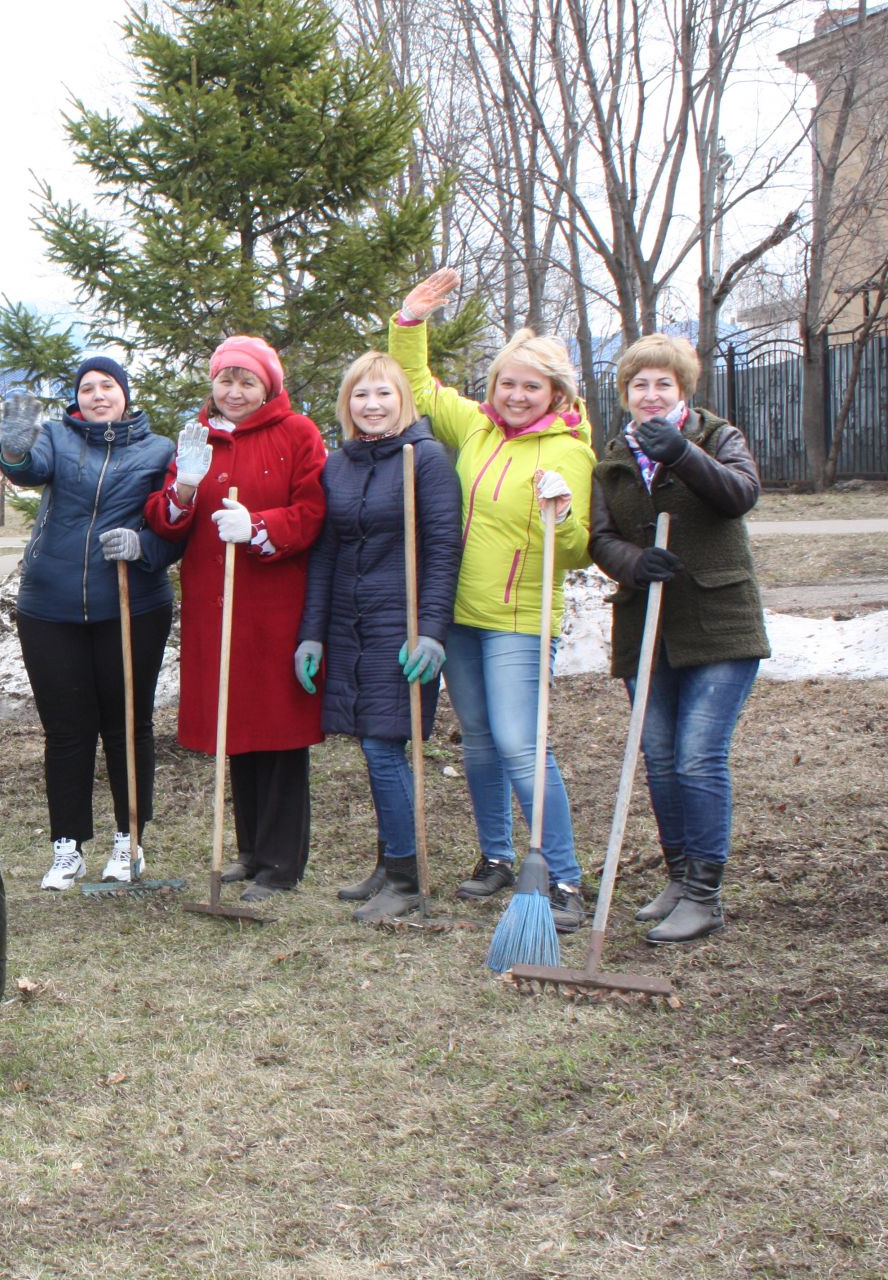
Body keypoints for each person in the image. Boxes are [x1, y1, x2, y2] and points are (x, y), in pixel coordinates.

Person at [391, 268, 596, 931]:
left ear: (554, 393)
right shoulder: (475, 429)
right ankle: (496, 856)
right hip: (462, 617)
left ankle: (562, 876)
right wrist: (410, 322)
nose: (514, 394)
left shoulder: (570, 451)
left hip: (518, 623)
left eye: (530, 386)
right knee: (477, 742)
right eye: (507, 383)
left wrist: (561, 514)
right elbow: (418, 389)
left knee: (519, 744)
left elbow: (578, 550)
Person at [589, 334, 768, 944]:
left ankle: (705, 896)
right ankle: (678, 873)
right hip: (649, 628)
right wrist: (633, 564)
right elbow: (600, 535)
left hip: (720, 624)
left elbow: (739, 495)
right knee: (661, 758)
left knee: (697, 755)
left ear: (683, 390)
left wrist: (685, 455)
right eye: (640, 384)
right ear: (626, 394)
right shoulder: (613, 456)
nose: (651, 394)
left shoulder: (719, 438)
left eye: (664, 383)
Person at [145, 336, 326, 902]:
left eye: (248, 381)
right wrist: (186, 486)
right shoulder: (198, 437)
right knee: (236, 729)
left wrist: (260, 527)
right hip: (214, 605)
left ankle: (281, 862)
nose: (235, 391)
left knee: (277, 732)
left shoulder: (297, 434)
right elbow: (166, 522)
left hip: (272, 606)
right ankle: (249, 851)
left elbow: (314, 511)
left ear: (268, 386)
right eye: (226, 380)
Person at [0, 356, 179, 889]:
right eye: (87, 388)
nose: (98, 395)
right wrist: (13, 447)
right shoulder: (56, 437)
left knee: (127, 725)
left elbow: (175, 527)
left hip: (130, 604)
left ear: (125, 394)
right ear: (78, 399)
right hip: (49, 607)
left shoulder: (158, 450)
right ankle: (67, 846)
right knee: (67, 730)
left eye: (108, 386)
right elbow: (27, 470)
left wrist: (144, 545)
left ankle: (130, 840)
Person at [296, 353, 463, 921]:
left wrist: (433, 632)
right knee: (372, 745)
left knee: (384, 745)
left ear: (404, 400)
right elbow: (324, 554)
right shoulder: (338, 465)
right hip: (349, 624)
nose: (372, 405)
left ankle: (407, 877)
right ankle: (390, 858)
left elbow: (443, 550)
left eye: (384, 394)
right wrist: (312, 635)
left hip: (405, 626)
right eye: (361, 395)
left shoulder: (429, 459)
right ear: (348, 404)